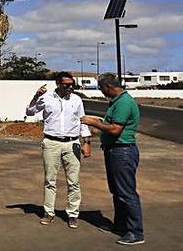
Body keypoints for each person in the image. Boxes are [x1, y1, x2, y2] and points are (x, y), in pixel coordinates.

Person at [81, 74, 144, 246]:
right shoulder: (117, 101)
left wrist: (93, 122)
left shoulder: (123, 103)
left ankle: (135, 232)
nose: (101, 92)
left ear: (108, 86)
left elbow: (115, 129)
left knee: (126, 192)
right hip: (115, 151)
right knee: (117, 191)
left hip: (122, 152)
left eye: (101, 88)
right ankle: (121, 226)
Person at [25, 71, 92, 229]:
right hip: (51, 143)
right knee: (50, 180)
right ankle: (49, 212)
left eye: (72, 84)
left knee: (74, 181)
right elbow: (30, 112)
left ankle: (73, 214)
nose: (70, 87)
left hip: (72, 143)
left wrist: (87, 141)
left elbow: (82, 121)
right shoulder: (46, 98)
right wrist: (36, 96)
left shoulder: (76, 100)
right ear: (58, 84)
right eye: (66, 85)